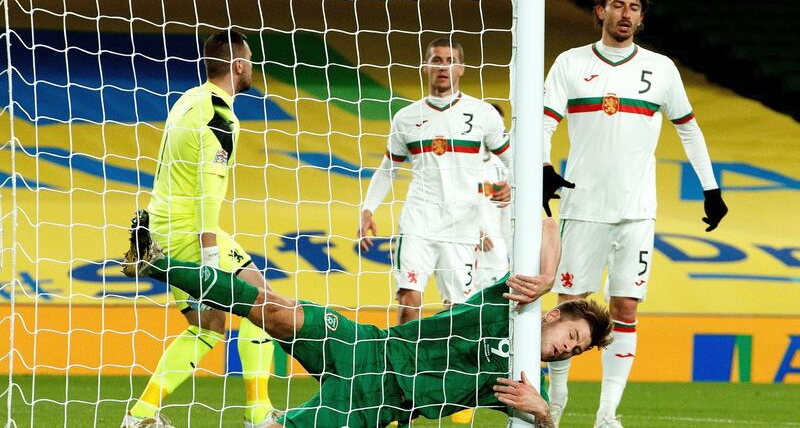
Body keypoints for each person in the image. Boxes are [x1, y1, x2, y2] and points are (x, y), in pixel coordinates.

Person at [123, 211, 613, 428]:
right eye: (570, 335)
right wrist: (548, 273)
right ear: (554, 315)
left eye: (574, 350)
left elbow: (544, 424)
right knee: (278, 312)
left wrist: (544, 414)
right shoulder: (513, 300)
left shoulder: (525, 383)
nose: (565, 349)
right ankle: (157, 261)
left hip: (375, 403)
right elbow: (546, 223)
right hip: (369, 346)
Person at [540, 0, 729, 427]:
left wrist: (711, 188)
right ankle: (558, 403)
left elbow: (688, 128)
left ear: (642, 18)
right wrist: (543, 168)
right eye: (617, 5)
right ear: (600, 10)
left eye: (634, 7)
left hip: (637, 211)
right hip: (582, 207)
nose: (626, 13)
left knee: (625, 308)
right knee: (568, 308)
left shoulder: (661, 69)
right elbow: (543, 122)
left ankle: (607, 413)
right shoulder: (571, 63)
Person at [122, 31, 276, 428]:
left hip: (161, 228)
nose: (253, 66)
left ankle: (141, 415)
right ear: (239, 66)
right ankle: (258, 414)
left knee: (208, 326)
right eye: (251, 59)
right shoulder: (220, 116)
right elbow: (209, 192)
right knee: (265, 303)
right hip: (189, 231)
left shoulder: (187, 100)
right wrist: (209, 257)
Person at [358, 38, 513, 326]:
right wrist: (368, 209)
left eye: (450, 61)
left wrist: (512, 185)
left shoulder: (483, 114)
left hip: (463, 225)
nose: (443, 67)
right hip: (419, 220)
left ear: (462, 68)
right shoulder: (406, 118)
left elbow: (512, 159)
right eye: (437, 60)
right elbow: (387, 169)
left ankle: (446, 369)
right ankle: (401, 368)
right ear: (425, 66)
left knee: (459, 311)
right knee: (409, 301)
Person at [475, 103, 513, 291]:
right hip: (466, 247)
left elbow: (507, 214)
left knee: (497, 312)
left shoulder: (504, 165)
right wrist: (473, 231)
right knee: (456, 309)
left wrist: (510, 251)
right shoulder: (460, 162)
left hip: (496, 254)